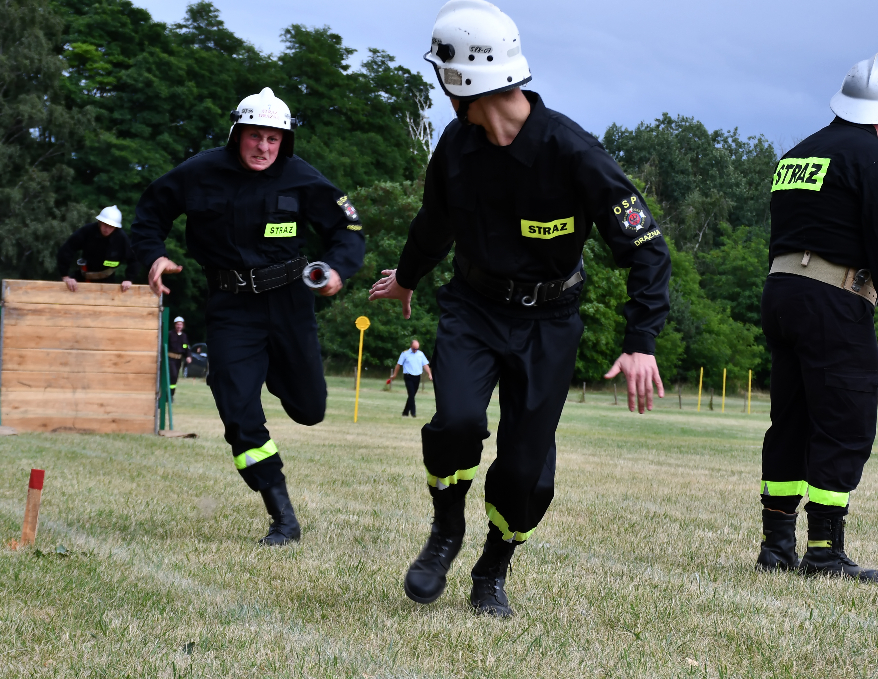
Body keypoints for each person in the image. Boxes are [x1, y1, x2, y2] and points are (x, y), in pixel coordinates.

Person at [369, 0, 670, 617]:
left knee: (529, 474)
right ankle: (445, 533)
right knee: (455, 423)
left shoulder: (574, 153)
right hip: (473, 310)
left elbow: (647, 248)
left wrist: (641, 339)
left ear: (457, 78)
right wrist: (406, 278)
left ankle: (491, 570)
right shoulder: (456, 145)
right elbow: (434, 223)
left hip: (550, 324)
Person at [130, 87, 365, 546]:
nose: (263, 147)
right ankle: (282, 515)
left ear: (285, 143)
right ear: (237, 134)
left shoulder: (302, 179)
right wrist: (153, 256)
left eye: (273, 139)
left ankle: (278, 371)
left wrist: (339, 267)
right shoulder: (199, 172)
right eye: (255, 136)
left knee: (310, 409)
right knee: (237, 410)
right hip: (230, 305)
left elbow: (348, 227)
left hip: (290, 302)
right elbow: (150, 212)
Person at [756, 54, 878, 583]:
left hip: (781, 294)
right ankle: (824, 553)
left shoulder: (797, 155)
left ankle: (775, 545)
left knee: (789, 420)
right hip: (833, 301)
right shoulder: (876, 161)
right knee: (842, 424)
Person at [57, 206, 136, 292]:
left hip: (107, 281)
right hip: (82, 277)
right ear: (100, 222)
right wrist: (65, 276)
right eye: (105, 225)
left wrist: (129, 279)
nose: (107, 229)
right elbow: (67, 249)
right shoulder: (87, 231)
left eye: (111, 227)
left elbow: (134, 259)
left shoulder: (121, 238)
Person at [389, 339, 433, 417]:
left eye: (417, 349)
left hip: (417, 377)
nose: (415, 350)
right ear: (411, 346)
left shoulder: (420, 354)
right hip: (408, 376)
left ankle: (405, 412)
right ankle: (413, 413)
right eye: (414, 348)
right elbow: (398, 365)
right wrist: (394, 375)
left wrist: (429, 374)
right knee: (411, 394)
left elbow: (425, 365)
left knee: (411, 395)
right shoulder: (405, 354)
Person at [167, 316, 192, 400]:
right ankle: (167, 394)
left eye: (180, 324)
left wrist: (188, 356)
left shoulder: (184, 336)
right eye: (177, 324)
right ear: (175, 325)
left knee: (175, 377)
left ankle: (171, 395)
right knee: (172, 375)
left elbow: (186, 347)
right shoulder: (170, 334)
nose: (179, 326)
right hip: (170, 359)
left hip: (178, 360)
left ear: (183, 325)